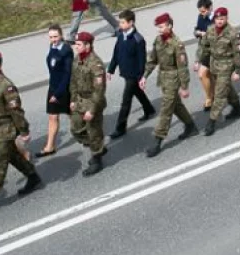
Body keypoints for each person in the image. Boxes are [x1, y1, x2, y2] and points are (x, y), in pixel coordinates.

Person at [0, 50, 42, 218]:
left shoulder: (6, 86)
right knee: (11, 156)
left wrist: (24, 130)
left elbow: (16, 111)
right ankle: (32, 175)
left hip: (8, 129)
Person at [143, 13, 198, 158]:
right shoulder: (158, 40)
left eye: (161, 27)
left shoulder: (177, 44)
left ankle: (157, 140)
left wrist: (184, 86)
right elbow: (152, 60)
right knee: (176, 105)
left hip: (174, 79)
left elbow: (182, 67)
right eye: (158, 27)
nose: (159, 30)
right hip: (164, 79)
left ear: (170, 26)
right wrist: (144, 76)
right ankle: (191, 126)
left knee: (166, 109)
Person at [107, 10, 155, 139]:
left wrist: (141, 77)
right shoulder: (121, 35)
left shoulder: (138, 40)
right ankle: (149, 109)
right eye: (120, 22)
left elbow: (141, 60)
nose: (120, 25)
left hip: (134, 75)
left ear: (131, 23)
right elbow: (116, 53)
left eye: (123, 22)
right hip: (125, 72)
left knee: (125, 101)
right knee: (137, 92)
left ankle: (120, 128)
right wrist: (110, 70)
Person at [196, 8, 240, 135]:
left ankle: (211, 122)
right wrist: (198, 60)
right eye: (217, 19)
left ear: (226, 18)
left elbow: (238, 53)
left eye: (222, 18)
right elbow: (204, 46)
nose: (219, 21)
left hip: (227, 65)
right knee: (226, 88)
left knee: (219, 93)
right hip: (214, 65)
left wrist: (238, 71)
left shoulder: (233, 33)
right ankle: (238, 108)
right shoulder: (210, 30)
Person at [69, 32, 108, 177]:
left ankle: (97, 159)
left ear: (88, 45)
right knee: (76, 129)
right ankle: (98, 146)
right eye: (76, 44)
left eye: (78, 45)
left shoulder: (96, 64)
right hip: (79, 100)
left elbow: (99, 90)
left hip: (93, 101)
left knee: (94, 131)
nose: (75, 47)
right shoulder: (77, 59)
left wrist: (91, 110)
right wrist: (73, 100)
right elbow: (72, 81)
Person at [36, 24, 72, 157]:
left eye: (56, 36)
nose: (53, 39)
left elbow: (67, 74)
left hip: (64, 88)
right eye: (51, 37)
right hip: (53, 86)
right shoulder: (52, 47)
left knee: (71, 113)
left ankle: (85, 133)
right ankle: (50, 146)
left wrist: (57, 94)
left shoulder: (66, 51)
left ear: (61, 36)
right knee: (52, 116)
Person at [193, 0, 215, 110]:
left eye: (204, 11)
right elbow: (196, 29)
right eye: (200, 12)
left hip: (216, 51)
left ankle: (212, 97)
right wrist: (199, 33)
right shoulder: (201, 17)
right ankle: (210, 97)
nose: (202, 14)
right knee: (203, 75)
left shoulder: (217, 18)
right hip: (205, 51)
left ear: (210, 7)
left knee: (209, 75)